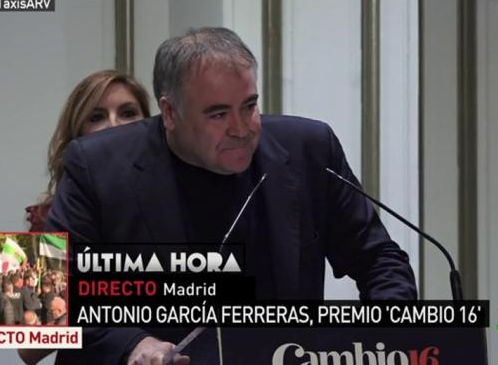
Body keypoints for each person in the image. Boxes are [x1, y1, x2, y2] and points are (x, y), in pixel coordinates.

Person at [46, 27, 417, 364]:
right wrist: (131, 343)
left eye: (250, 106)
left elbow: (379, 259)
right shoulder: (94, 165)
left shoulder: (309, 150)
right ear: (170, 113)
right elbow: (45, 301)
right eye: (218, 114)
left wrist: (386, 331)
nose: (241, 129)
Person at [25, 70, 151, 231]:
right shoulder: (47, 219)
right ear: (77, 133)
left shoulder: (170, 201)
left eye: (128, 113)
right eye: (97, 117)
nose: (114, 125)